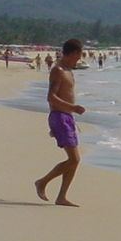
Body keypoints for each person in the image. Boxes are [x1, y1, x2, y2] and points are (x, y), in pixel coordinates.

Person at [35, 38, 86, 207]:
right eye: (79, 55)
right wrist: (73, 107)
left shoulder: (69, 70)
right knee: (74, 160)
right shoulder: (58, 70)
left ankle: (61, 196)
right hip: (60, 116)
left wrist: (71, 111)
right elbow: (51, 97)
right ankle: (42, 182)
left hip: (67, 117)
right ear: (72, 53)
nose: (79, 59)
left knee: (74, 160)